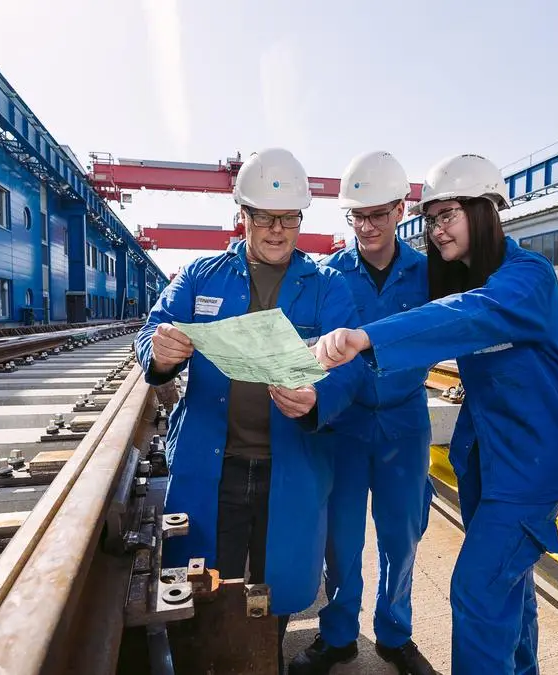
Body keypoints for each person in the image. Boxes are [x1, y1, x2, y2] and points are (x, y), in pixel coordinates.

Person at [313, 153, 558, 675]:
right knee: (510, 591)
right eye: (432, 219)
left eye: (448, 216)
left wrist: (367, 336)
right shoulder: (460, 272)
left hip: (527, 464)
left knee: (477, 591)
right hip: (490, 457)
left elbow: (471, 313)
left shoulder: (522, 276)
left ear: (485, 210)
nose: (437, 232)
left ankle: (400, 634)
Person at [135, 147, 366, 668]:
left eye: (288, 218)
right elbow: (153, 329)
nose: (277, 230)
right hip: (212, 464)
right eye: (265, 217)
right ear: (243, 216)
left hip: (290, 467)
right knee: (203, 579)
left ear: (301, 219)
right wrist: (160, 350)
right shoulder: (200, 275)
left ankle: (266, 657)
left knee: (277, 584)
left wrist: (317, 398)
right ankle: (209, 659)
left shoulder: (328, 287)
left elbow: (351, 371)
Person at [289, 151, 435, 675]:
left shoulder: (427, 273)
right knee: (342, 536)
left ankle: (396, 634)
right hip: (345, 424)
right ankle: (339, 635)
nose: (366, 227)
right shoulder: (331, 276)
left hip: (404, 420)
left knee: (402, 533)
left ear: (400, 210)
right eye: (356, 216)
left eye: (377, 214)